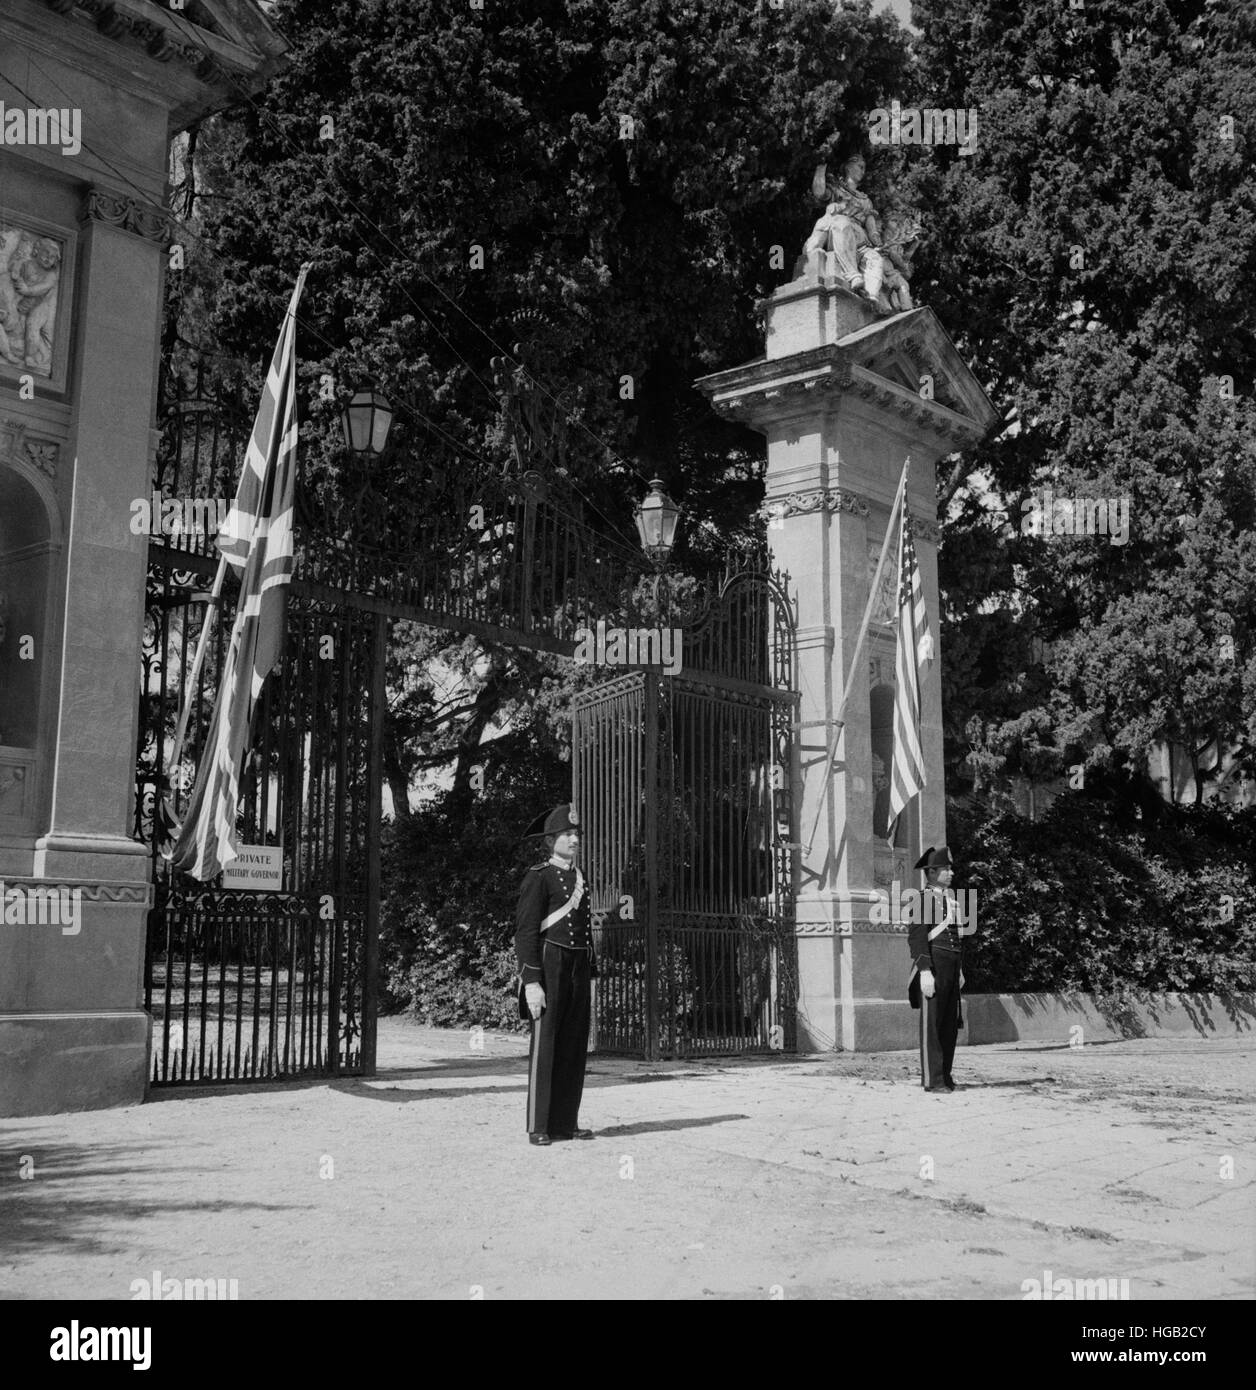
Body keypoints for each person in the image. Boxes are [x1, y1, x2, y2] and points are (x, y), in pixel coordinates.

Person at [514, 803, 597, 1146]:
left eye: (575, 834)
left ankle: (566, 1122)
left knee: (574, 1045)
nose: (574, 839)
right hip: (550, 963)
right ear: (551, 840)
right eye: (567, 834)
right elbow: (526, 931)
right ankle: (539, 1125)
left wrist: (589, 969)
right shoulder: (539, 876)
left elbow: (583, 929)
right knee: (546, 1043)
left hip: (577, 964)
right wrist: (531, 981)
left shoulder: (580, 878)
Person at [906, 846, 970, 1092]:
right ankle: (932, 1080)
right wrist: (924, 970)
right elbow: (917, 938)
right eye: (945, 869)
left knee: (948, 1025)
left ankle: (945, 1075)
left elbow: (955, 937)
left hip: (951, 967)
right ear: (931, 872)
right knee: (932, 1026)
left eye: (950, 868)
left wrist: (960, 969)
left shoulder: (952, 901)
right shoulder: (922, 899)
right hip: (933, 966)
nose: (951, 873)